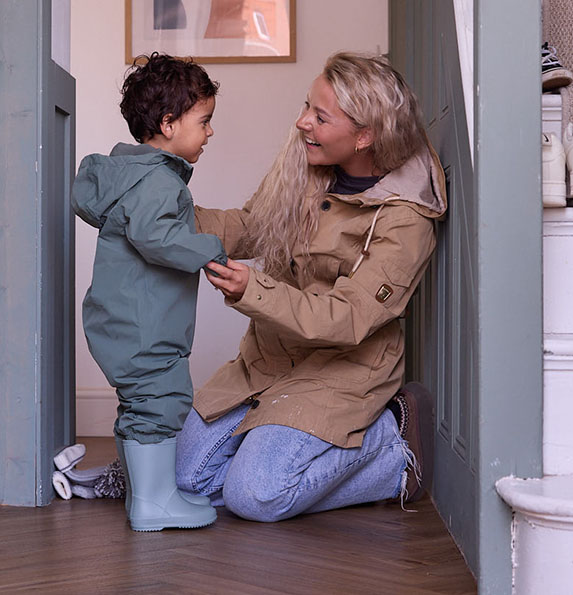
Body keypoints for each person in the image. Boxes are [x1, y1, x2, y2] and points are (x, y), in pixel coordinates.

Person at [175, 52, 447, 522]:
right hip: (270, 362)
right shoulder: (305, 166)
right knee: (188, 480)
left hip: (341, 373)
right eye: (307, 106)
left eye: (320, 117)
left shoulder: (407, 219)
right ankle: (282, 451)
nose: (302, 122)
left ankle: (392, 446)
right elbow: (252, 226)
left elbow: (348, 317)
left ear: (366, 136)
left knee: (254, 496)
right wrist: (168, 213)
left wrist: (251, 291)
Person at [71, 53, 227, 531]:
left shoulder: (132, 176)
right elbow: (157, 239)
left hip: (124, 321)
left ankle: (149, 495)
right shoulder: (159, 181)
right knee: (160, 401)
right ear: (168, 123)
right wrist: (211, 247)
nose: (210, 132)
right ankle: (154, 505)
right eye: (204, 122)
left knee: (141, 405)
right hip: (145, 326)